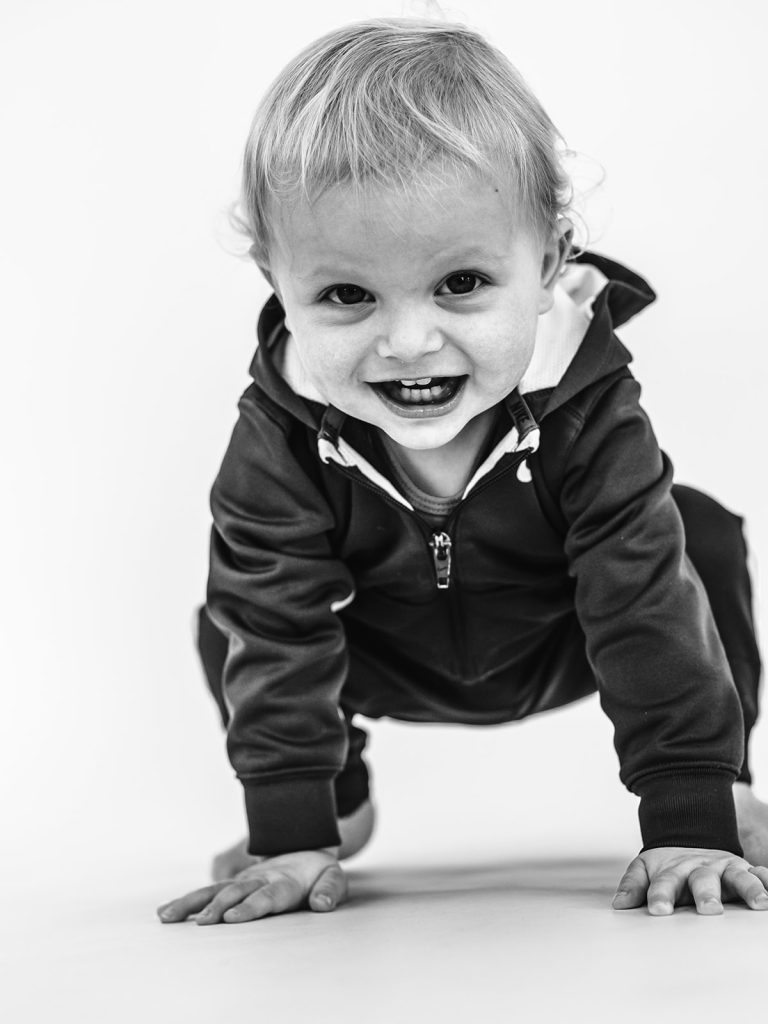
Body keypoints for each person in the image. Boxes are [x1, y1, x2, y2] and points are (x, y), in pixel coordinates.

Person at [157, 16, 768, 925]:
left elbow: (637, 592)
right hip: (383, 652)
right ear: (275, 280)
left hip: (564, 633)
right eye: (347, 295)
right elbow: (277, 619)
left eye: (462, 284)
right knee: (236, 613)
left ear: (551, 258)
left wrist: (688, 813)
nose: (409, 342)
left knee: (697, 536)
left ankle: (729, 791)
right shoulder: (280, 435)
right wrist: (289, 831)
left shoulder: (586, 404)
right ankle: (336, 803)